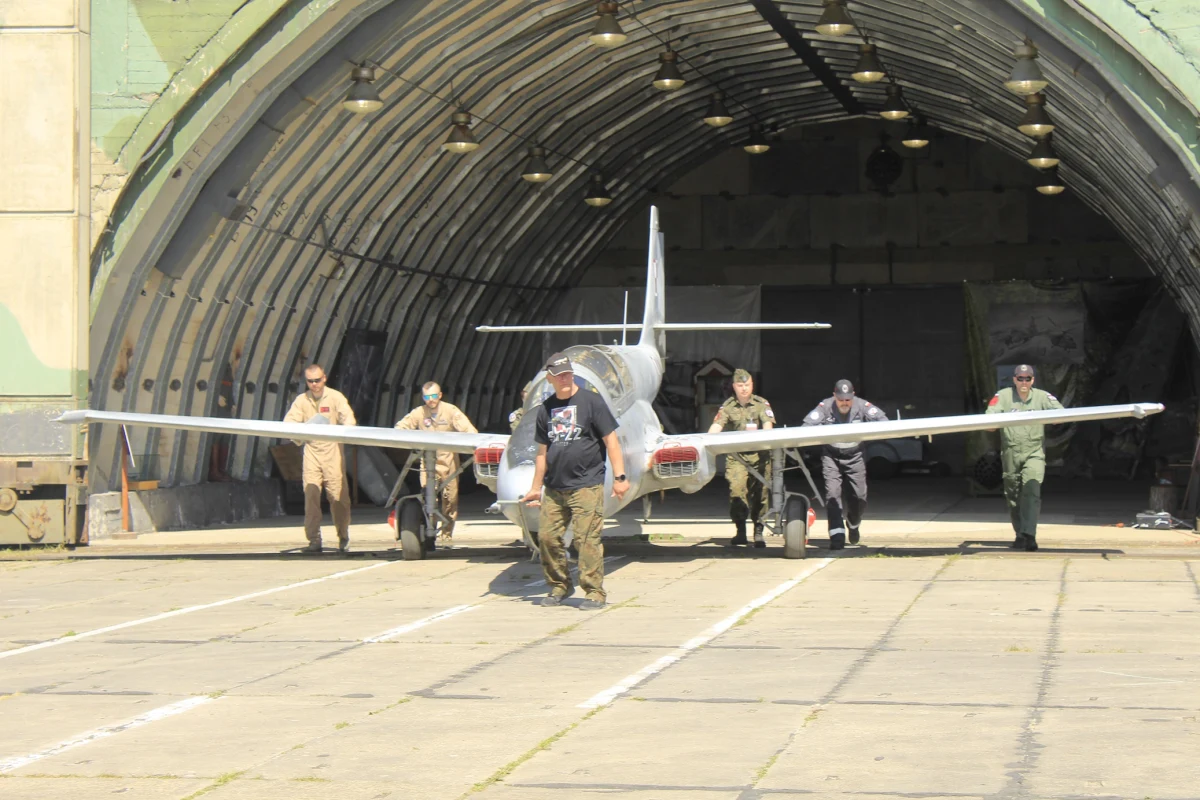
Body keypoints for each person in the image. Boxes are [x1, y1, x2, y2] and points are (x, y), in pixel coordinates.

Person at [521, 352, 629, 610]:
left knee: (586, 539)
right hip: (555, 487)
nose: (565, 379)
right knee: (547, 537)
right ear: (550, 378)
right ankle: (559, 585)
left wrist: (620, 477)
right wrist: (536, 488)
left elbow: (610, 440)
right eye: (559, 376)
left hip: (587, 484)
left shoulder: (591, 402)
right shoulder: (545, 410)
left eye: (568, 374)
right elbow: (541, 453)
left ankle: (594, 592)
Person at [802, 379, 888, 550]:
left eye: (847, 399)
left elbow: (884, 420)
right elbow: (806, 426)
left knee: (859, 496)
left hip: (855, 456)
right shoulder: (825, 407)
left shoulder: (862, 406)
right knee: (833, 495)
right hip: (831, 457)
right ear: (834, 396)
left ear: (853, 396)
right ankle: (837, 535)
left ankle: (853, 523)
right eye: (841, 399)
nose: (844, 403)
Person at [986, 364, 1064, 552]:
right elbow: (989, 422)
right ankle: (1020, 534)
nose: (1023, 382)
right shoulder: (1002, 396)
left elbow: (1060, 415)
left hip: (1034, 452)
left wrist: (1051, 416)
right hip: (1011, 452)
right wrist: (995, 421)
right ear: (1014, 379)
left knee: (1031, 489)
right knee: (1013, 496)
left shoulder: (1042, 396)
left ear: (1032, 380)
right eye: (1020, 378)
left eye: (1027, 378)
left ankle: (1029, 535)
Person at [283, 364, 357, 553]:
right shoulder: (302, 400)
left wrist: (344, 432)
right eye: (310, 381)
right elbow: (289, 423)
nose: (314, 384)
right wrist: (299, 434)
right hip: (312, 452)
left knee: (338, 497)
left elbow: (348, 418)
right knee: (311, 496)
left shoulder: (335, 397)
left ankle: (343, 536)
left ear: (324, 378)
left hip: (332, 451)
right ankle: (314, 539)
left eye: (317, 380)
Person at [395, 382, 477, 540]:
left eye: (433, 396)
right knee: (427, 496)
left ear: (440, 395)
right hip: (427, 463)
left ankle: (446, 533)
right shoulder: (418, 413)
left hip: (449, 462)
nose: (430, 400)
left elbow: (469, 430)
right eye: (426, 396)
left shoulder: (451, 411)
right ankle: (428, 530)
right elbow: (400, 427)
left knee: (450, 499)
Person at [708, 369, 775, 548]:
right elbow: (716, 426)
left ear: (752, 385)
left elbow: (768, 425)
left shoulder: (761, 404)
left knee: (761, 494)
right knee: (737, 492)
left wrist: (766, 440)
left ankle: (759, 531)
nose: (744, 389)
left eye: (747, 385)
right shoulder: (728, 406)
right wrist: (706, 442)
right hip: (737, 457)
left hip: (760, 456)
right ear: (734, 387)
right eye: (740, 385)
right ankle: (740, 530)